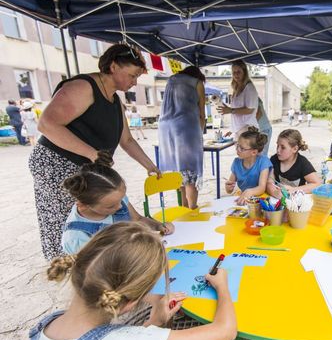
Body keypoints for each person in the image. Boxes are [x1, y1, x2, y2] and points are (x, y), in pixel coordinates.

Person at [26, 221, 237, 340]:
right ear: (131, 303)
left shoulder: (47, 326)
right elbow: (226, 332)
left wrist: (155, 321)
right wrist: (222, 287)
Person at [28, 43, 159, 260]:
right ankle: (69, 267)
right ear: (114, 67)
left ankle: (101, 263)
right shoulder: (83, 87)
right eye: (133, 75)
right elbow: (47, 124)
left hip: (88, 168)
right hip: (57, 165)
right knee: (70, 225)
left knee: (101, 218)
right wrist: (92, 154)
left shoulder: (115, 100)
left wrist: (150, 165)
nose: (135, 82)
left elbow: (126, 140)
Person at [61, 151, 175, 254]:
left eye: (121, 199)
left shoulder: (114, 197)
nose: (120, 206)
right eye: (110, 206)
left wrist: (157, 226)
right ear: (83, 205)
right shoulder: (76, 238)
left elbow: (137, 219)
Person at [158, 66, 206, 210]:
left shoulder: (171, 80)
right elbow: (201, 114)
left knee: (180, 171)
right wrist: (200, 134)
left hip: (166, 130)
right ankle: (192, 209)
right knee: (190, 172)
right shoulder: (197, 83)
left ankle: (184, 208)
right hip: (186, 129)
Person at [266, 129, 322, 197]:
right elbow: (269, 182)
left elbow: (317, 184)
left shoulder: (302, 163)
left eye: (283, 147)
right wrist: (275, 192)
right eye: (277, 145)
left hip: (297, 201)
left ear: (295, 149)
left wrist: (294, 190)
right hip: (278, 200)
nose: (278, 150)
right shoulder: (274, 159)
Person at [225, 127, 272, 205]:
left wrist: (249, 191)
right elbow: (229, 190)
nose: (237, 149)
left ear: (254, 152)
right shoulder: (236, 163)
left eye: (242, 148)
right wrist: (228, 188)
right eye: (237, 145)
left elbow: (261, 188)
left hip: (261, 199)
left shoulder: (263, 162)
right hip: (244, 197)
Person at [217, 60, 259, 139]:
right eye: (234, 72)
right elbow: (236, 112)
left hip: (248, 129)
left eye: (239, 72)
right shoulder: (236, 88)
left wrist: (230, 110)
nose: (236, 74)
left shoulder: (249, 87)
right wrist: (232, 130)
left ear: (244, 72)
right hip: (239, 129)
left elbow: (250, 110)